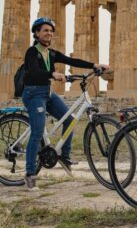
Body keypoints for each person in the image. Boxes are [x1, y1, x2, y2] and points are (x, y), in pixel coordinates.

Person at [22, 17, 109, 191]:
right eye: (45, 30)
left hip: (47, 93)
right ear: (37, 33)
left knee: (69, 120)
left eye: (51, 31)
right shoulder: (32, 52)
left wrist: (94, 65)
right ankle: (30, 174)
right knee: (37, 132)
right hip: (33, 93)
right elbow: (34, 71)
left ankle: (64, 156)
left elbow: (73, 61)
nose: (49, 33)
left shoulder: (52, 53)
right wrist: (52, 74)